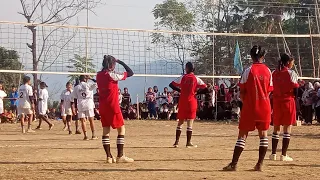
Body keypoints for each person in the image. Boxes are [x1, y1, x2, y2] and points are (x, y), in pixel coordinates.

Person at [223, 45, 273, 171]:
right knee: (263, 135)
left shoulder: (248, 70)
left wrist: (247, 103)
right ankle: (259, 164)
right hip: (264, 106)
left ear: (251, 56)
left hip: (250, 107)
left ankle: (234, 164)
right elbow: (269, 91)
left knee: (242, 135)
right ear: (263, 56)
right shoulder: (268, 71)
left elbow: (242, 91)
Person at [96, 55, 134, 163]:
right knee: (121, 129)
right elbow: (130, 73)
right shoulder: (112, 75)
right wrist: (120, 62)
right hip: (113, 105)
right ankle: (120, 156)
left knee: (106, 131)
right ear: (112, 65)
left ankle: (108, 157)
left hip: (103, 106)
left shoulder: (98, 75)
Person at [169, 62, 207, 148]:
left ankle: (176, 142)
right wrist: (196, 92)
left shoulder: (182, 77)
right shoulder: (196, 79)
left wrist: (180, 91)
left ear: (187, 68)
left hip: (182, 101)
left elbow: (171, 85)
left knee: (180, 122)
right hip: (191, 102)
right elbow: (206, 88)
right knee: (190, 122)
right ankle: (188, 143)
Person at [269, 53, 299, 162]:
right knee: (287, 128)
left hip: (277, 102)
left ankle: (273, 154)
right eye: (292, 62)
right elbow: (296, 89)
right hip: (288, 101)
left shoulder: (274, 73)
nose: (293, 64)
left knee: (276, 128)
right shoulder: (291, 73)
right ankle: (283, 155)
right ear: (288, 62)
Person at [71, 75, 98, 140]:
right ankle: (93, 135)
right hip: (89, 103)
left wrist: (75, 107)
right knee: (91, 119)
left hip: (80, 104)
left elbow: (75, 98)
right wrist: (91, 78)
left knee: (82, 120)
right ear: (85, 79)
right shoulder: (88, 85)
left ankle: (85, 136)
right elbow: (97, 82)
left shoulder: (76, 87)